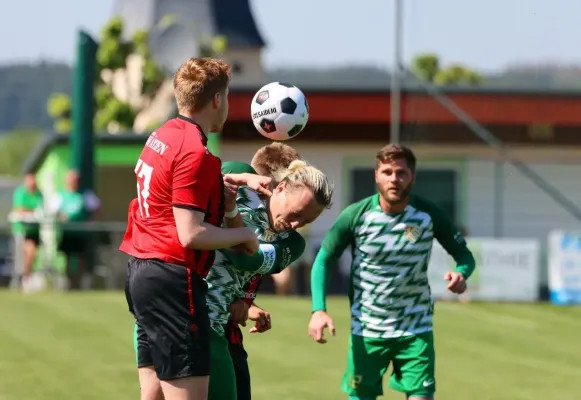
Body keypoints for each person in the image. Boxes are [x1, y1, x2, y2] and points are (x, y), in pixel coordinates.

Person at [120, 57, 271, 400]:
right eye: (228, 97)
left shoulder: (162, 135)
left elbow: (177, 184)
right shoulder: (195, 151)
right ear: (217, 99)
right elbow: (191, 233)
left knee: (153, 394)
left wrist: (240, 178)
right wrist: (244, 235)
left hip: (140, 272)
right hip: (173, 279)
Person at [308, 144, 476, 400]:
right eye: (387, 172)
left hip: (415, 328)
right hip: (367, 330)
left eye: (401, 173)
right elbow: (324, 259)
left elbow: (464, 256)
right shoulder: (356, 215)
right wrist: (318, 309)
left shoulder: (429, 215)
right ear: (376, 176)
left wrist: (461, 274)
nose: (394, 179)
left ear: (413, 177)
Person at [206, 158, 334, 400]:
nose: (295, 224)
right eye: (296, 214)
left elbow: (245, 259)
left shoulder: (292, 244)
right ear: (281, 188)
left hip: (215, 321)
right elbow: (194, 190)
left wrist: (230, 211)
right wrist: (242, 179)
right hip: (175, 299)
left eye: (306, 221)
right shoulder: (241, 175)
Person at [52, 170, 101, 290]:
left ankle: (78, 283)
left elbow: (97, 207)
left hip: (81, 232)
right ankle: (69, 283)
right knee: (68, 258)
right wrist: (61, 217)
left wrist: (90, 221)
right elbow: (54, 211)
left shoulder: (85, 194)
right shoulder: (61, 194)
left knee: (81, 258)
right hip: (67, 232)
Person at [10, 173, 43, 290]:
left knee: (31, 254)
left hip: (34, 230)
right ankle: (25, 277)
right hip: (21, 230)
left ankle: (27, 277)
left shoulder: (39, 194)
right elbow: (19, 209)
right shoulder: (20, 193)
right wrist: (32, 211)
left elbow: (42, 209)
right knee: (27, 254)